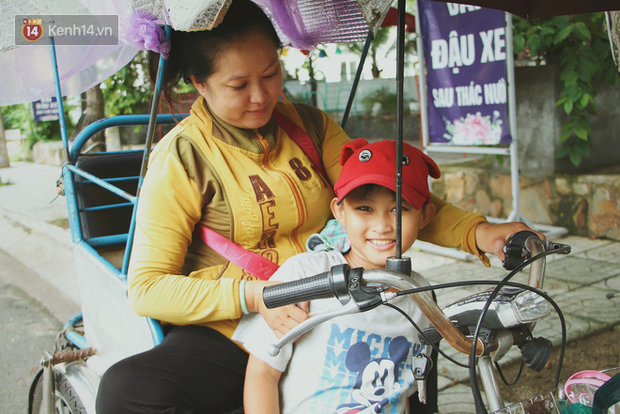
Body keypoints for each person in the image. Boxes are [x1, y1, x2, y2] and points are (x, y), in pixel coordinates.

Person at [96, 1, 542, 413]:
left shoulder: (309, 125)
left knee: (414, 365)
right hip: (238, 330)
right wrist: (259, 297)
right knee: (125, 392)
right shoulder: (180, 158)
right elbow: (148, 288)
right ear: (199, 83)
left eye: (271, 74)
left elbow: (386, 196)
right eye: (239, 84)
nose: (262, 96)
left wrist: (480, 233)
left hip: (340, 308)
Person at [234, 139, 439, 414]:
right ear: (339, 212)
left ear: (425, 215)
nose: (381, 225)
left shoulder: (421, 294)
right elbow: (262, 375)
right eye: (364, 208)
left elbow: (410, 389)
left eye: (399, 209)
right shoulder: (305, 276)